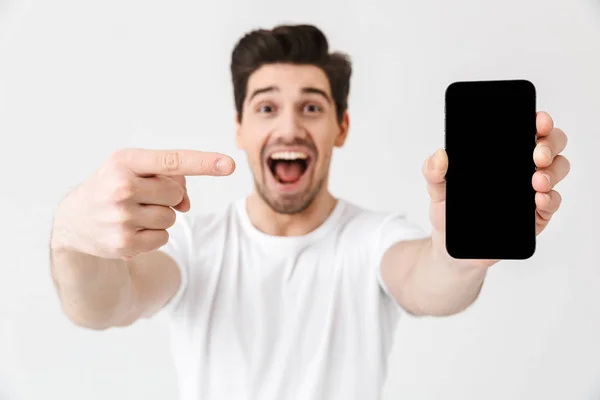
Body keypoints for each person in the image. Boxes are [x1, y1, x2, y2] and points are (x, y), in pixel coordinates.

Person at [49, 24, 571, 399]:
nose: (290, 127)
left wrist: (464, 251)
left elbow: (427, 281)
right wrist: (71, 236)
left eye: (313, 106)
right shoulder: (192, 242)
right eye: (267, 106)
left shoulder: (373, 239)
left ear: (340, 127)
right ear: (240, 128)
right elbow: (103, 306)